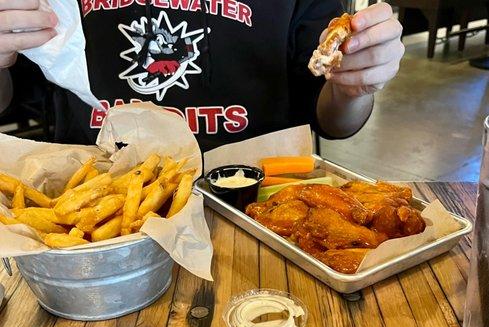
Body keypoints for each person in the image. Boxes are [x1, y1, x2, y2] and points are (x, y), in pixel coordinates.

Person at [0, 0, 404, 152]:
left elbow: (332, 122)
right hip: (95, 207)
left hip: (260, 204)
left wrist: (356, 86)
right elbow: (12, 98)